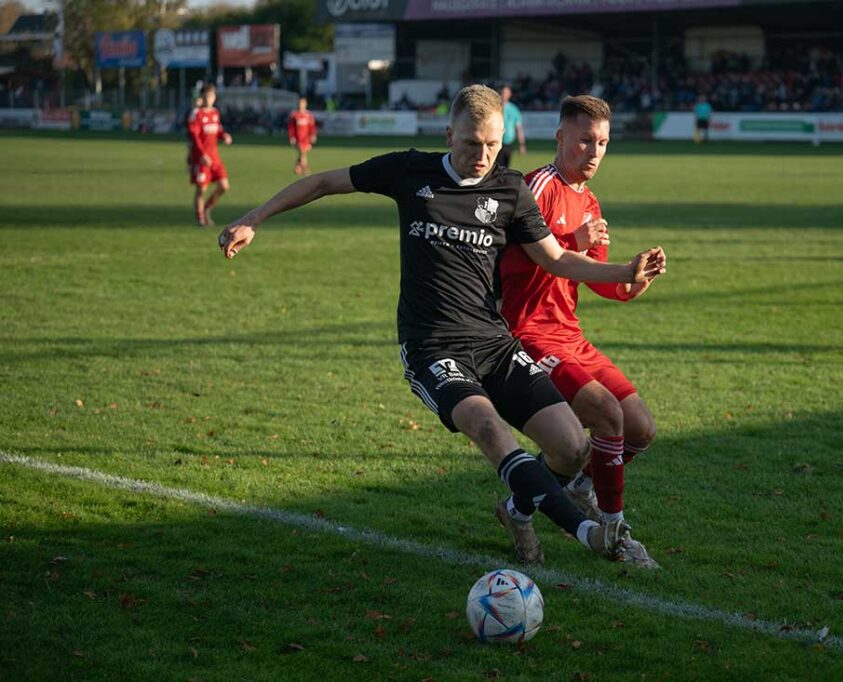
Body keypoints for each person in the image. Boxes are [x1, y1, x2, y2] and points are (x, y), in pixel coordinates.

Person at [217, 85, 667, 566]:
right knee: (489, 427)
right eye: (472, 143)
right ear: (449, 134)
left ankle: (517, 514)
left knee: (572, 446)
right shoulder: (410, 170)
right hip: (433, 346)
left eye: (493, 145)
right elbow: (325, 182)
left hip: (494, 341)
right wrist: (254, 217)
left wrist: (625, 272)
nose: (483, 155)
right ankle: (591, 534)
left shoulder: (509, 188)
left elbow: (556, 259)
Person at [500, 95, 660, 569]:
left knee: (641, 429)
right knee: (606, 415)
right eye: (586, 140)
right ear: (561, 138)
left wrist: (635, 281)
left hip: (569, 333)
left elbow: (593, 277)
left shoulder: (589, 201)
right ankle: (615, 532)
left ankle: (537, 501)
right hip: (527, 333)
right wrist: (573, 242)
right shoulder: (535, 188)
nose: (594, 152)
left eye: (604, 143)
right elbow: (505, 265)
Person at [188, 83, 232, 227]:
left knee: (224, 186)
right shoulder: (196, 114)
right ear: (202, 97)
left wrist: (224, 135)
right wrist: (202, 154)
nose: (209, 99)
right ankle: (200, 217)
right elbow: (194, 137)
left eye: (211, 96)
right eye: (206, 96)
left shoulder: (215, 113)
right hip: (202, 159)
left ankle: (207, 207)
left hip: (215, 157)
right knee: (201, 189)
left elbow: (218, 130)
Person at [496, 84, 526, 169]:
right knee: (497, 166)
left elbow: (519, 128)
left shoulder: (514, 109)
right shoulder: (494, 107)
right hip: (496, 141)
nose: (504, 95)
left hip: (508, 143)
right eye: (502, 92)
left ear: (510, 94)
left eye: (506, 93)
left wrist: (522, 144)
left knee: (506, 167)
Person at [287, 97, 318, 175]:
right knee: (303, 153)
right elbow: (291, 127)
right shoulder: (295, 115)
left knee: (302, 154)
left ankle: (297, 167)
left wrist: (313, 135)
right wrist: (292, 137)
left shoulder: (309, 115)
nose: (301, 105)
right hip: (298, 138)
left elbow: (312, 127)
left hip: (306, 138)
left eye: (303, 103)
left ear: (306, 104)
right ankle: (305, 169)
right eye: (300, 103)